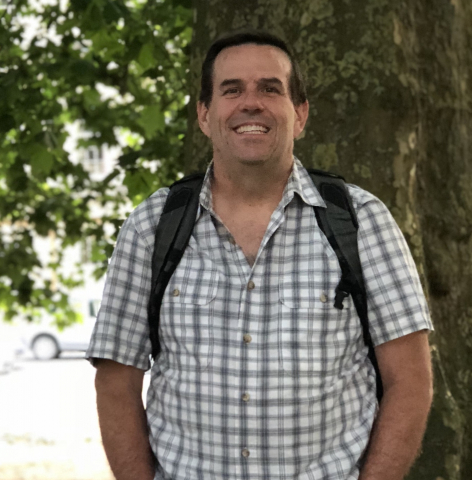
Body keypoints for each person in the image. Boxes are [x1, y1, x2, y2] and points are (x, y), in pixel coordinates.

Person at [87, 30, 434, 480]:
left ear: (301, 114)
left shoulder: (361, 220)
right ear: (205, 115)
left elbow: (411, 381)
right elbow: (116, 380)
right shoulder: (153, 225)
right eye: (231, 90)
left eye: (270, 88)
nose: (251, 103)